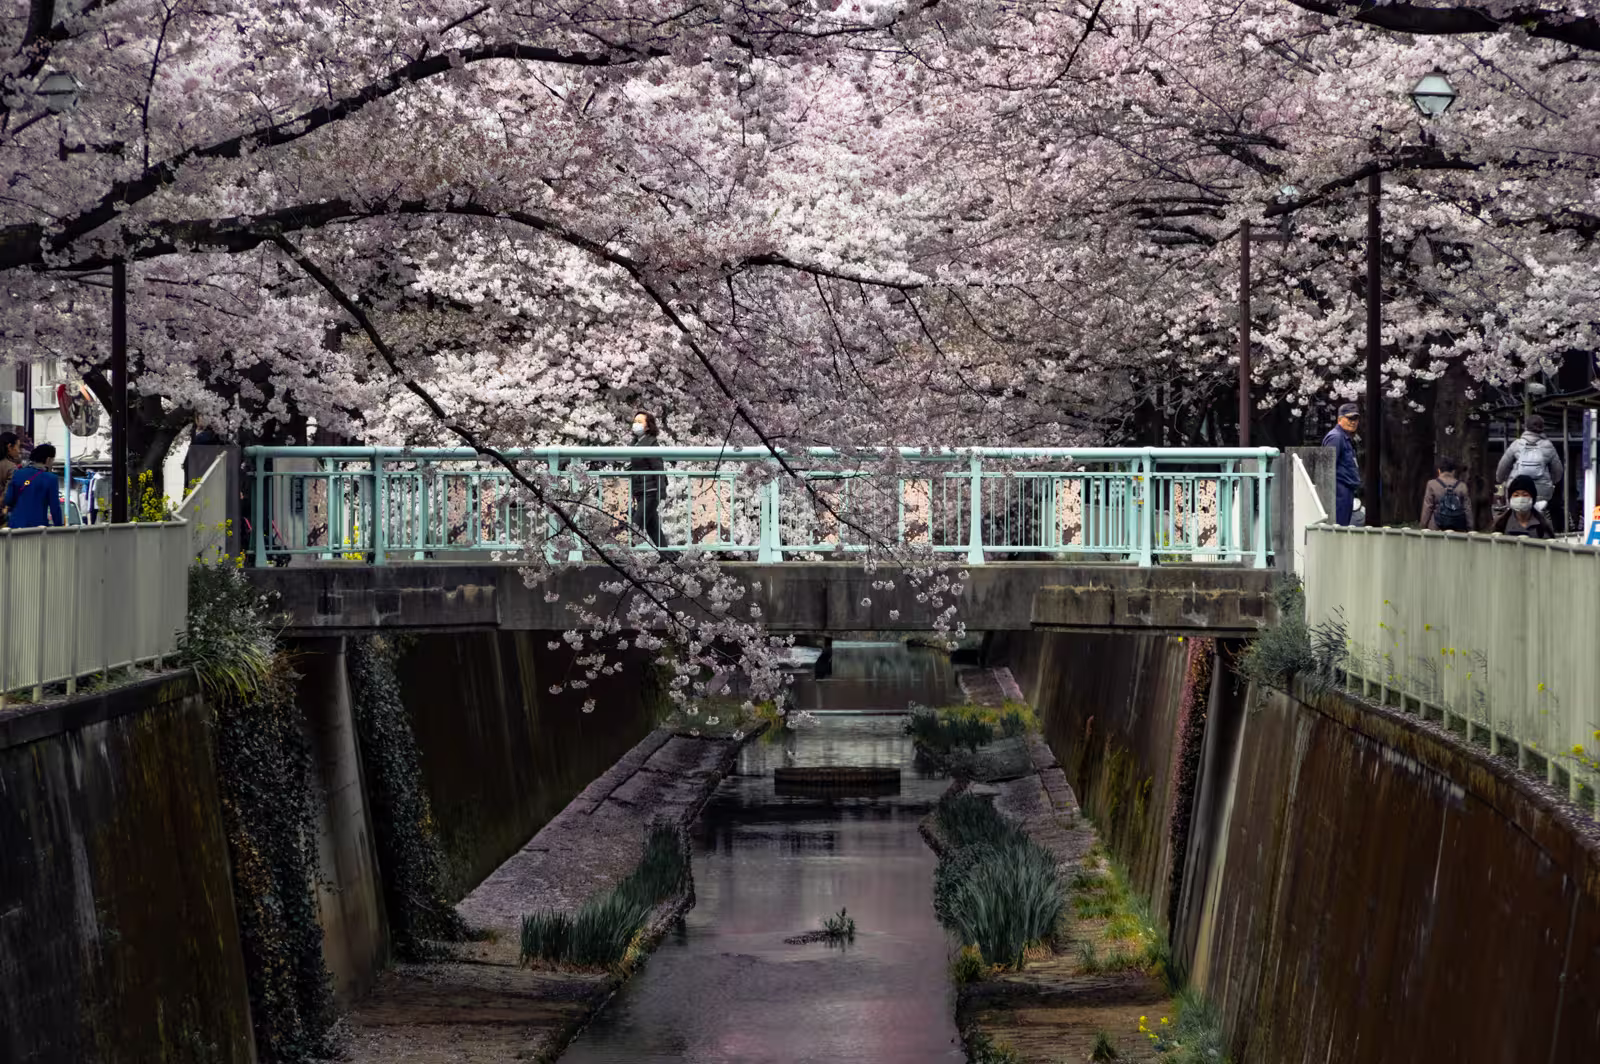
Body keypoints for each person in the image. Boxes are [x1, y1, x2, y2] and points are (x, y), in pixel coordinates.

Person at [1496, 414, 1562, 510]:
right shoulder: (1548, 446)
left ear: (1525, 427)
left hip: (1517, 489)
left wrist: (1500, 479)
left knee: (1513, 514)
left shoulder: (1516, 444)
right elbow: (1558, 471)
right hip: (1541, 492)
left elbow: (1503, 466)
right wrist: (1552, 481)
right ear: (1542, 428)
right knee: (1542, 517)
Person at [4, 443, 63, 529]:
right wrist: (59, 528)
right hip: (38, 528)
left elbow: (8, 500)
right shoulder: (51, 479)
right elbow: (55, 509)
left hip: (16, 526)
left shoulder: (17, 474)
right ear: (48, 459)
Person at [1322, 403, 1362, 526]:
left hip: (1346, 490)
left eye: (1356, 419)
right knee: (1338, 528)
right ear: (1340, 419)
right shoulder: (1336, 437)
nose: (1353, 422)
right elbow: (1327, 467)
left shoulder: (1345, 437)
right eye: (1349, 418)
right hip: (1338, 491)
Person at [627, 411, 664, 546]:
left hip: (650, 490)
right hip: (640, 490)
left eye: (639, 422)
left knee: (636, 525)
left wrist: (661, 492)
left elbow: (658, 468)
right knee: (652, 528)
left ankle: (624, 556)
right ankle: (670, 556)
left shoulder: (651, 444)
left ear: (648, 426)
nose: (635, 425)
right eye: (634, 421)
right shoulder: (635, 443)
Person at [1490, 475, 1556, 539]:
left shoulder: (1543, 525)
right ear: (1510, 498)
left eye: (1525, 495)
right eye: (1516, 495)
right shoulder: (1501, 524)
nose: (1520, 498)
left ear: (1532, 498)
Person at [1421, 456, 1472, 532]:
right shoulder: (1462, 486)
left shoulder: (1432, 484)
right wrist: (1470, 528)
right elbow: (1467, 509)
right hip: (1458, 528)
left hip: (1436, 527)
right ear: (1454, 471)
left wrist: (1423, 526)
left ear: (1439, 470)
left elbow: (1427, 507)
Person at [0, 431, 20, 526]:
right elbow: (8, 495)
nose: (19, 451)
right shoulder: (11, 467)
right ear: (9, 447)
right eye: (18, 446)